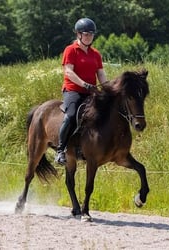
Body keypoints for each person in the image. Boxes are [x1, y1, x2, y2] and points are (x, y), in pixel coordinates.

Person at [55, 17, 107, 165]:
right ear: (78, 34)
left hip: (91, 92)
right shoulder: (70, 50)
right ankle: (60, 150)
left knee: (100, 115)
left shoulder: (95, 54)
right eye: (86, 34)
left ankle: (86, 147)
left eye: (91, 34)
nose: (89, 37)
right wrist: (84, 84)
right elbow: (69, 72)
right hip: (73, 90)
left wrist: (107, 88)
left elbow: (101, 73)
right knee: (71, 116)